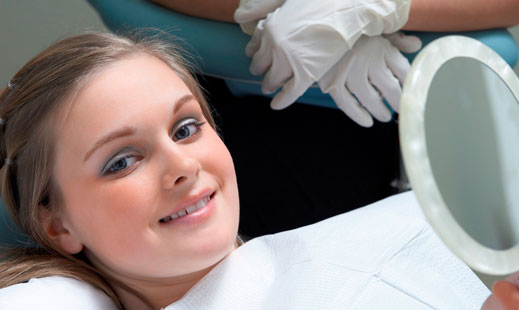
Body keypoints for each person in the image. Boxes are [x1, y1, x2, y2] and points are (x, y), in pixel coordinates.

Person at [0, 31, 514, 310]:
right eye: (122, 161)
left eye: (185, 128)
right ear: (56, 223)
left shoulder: (415, 221)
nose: (182, 166)